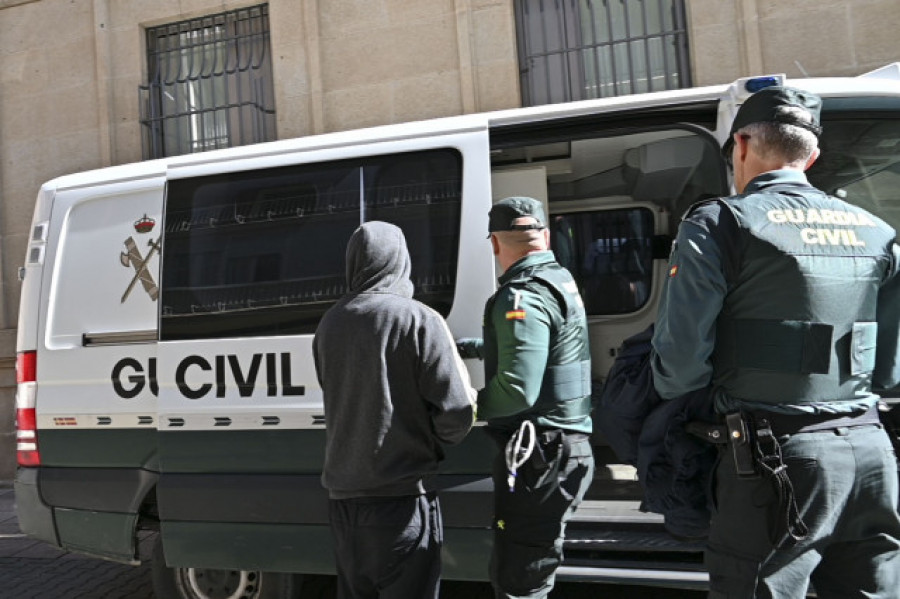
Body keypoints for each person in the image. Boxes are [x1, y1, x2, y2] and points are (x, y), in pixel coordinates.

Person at [651, 86, 900, 598]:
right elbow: (890, 369)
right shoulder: (879, 231)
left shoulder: (721, 223)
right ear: (812, 155)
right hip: (871, 453)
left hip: (774, 461)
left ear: (740, 144)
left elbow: (679, 369)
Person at [313, 221, 476, 599]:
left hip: (343, 503)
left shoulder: (330, 323)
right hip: (402, 500)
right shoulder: (419, 319)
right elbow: (458, 410)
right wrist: (429, 438)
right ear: (400, 260)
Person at [457, 196, 594, 599]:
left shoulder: (522, 295)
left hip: (540, 455)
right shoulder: (559, 280)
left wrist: (463, 407)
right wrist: (477, 347)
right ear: (545, 237)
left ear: (495, 245)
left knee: (520, 578)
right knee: (532, 566)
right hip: (564, 448)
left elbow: (517, 390)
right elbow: (540, 348)